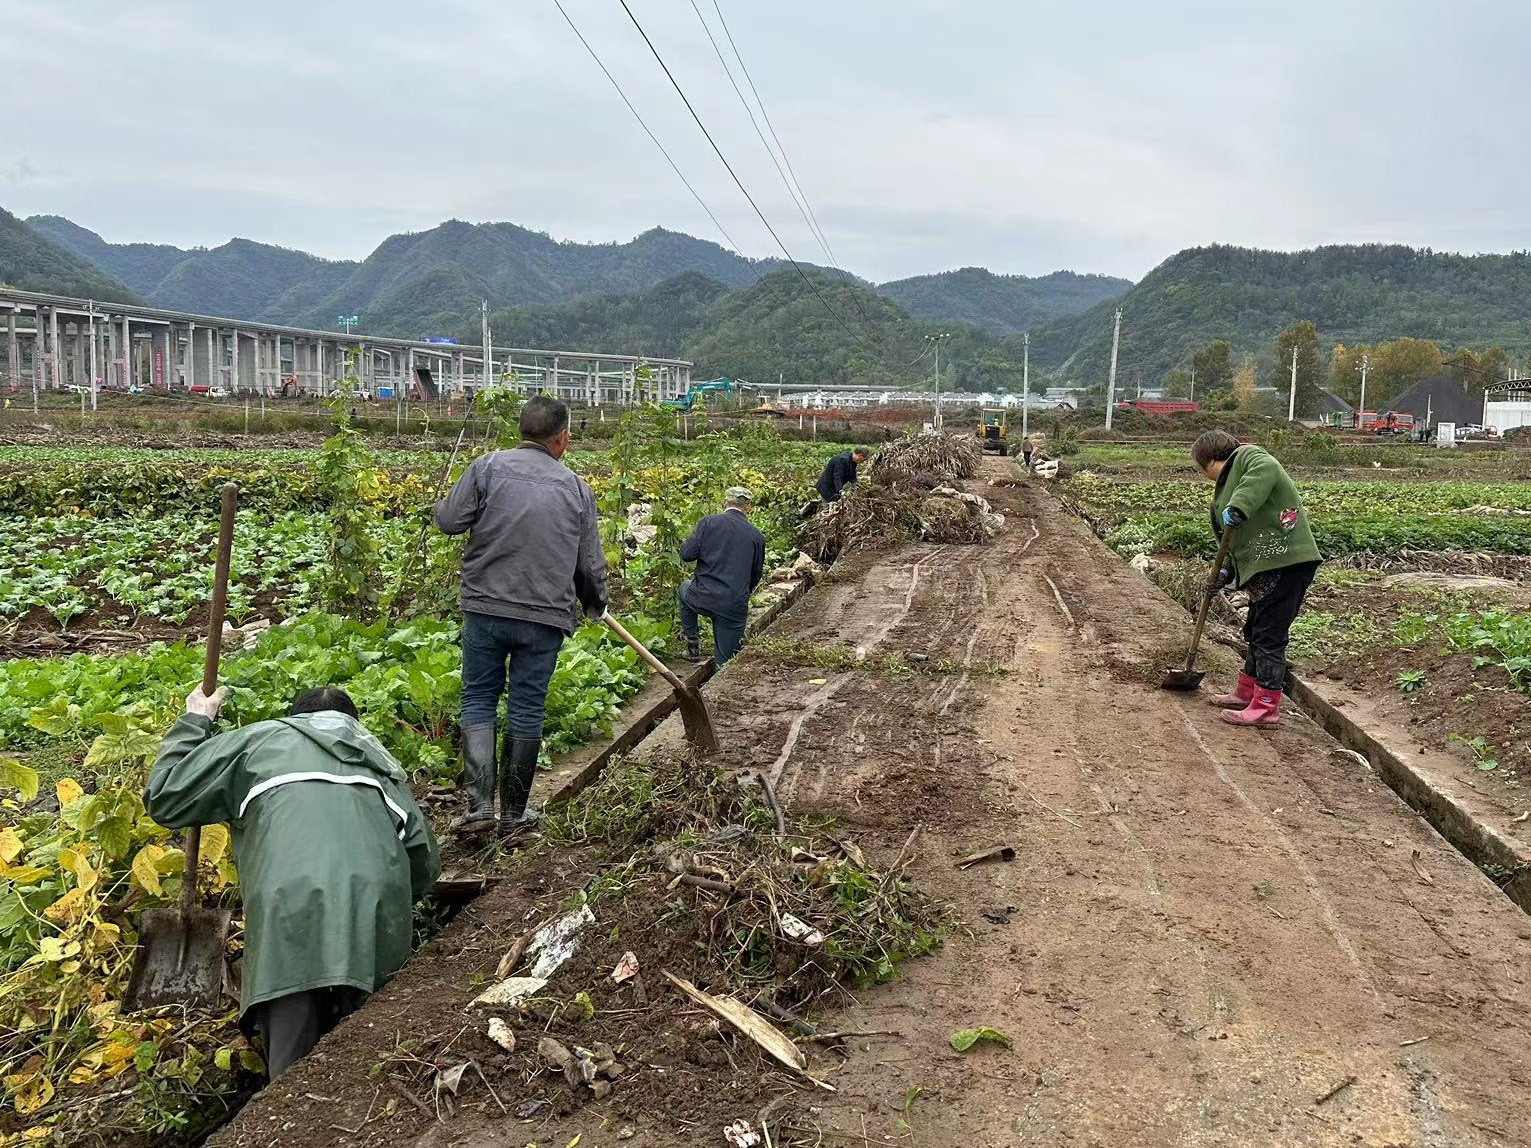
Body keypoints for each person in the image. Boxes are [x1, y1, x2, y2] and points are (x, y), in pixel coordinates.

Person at [145, 686, 439, 1080]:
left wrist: (196, 719)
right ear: (354, 726)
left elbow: (165, 795)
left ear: (295, 719)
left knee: (291, 1071)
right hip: (376, 909)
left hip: (289, 907)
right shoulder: (380, 764)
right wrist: (396, 904)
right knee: (373, 1054)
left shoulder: (257, 740)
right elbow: (423, 861)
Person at [435, 395, 607, 835]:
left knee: (478, 698)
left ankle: (478, 809)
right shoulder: (576, 488)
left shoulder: (487, 468)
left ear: (522, 430)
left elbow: (449, 521)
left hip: (486, 608)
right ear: (562, 438)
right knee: (527, 709)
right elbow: (588, 565)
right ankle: (513, 815)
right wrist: (594, 604)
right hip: (544, 616)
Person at [1193, 430, 1322, 727]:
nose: (1204, 476)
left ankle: (1266, 705)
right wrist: (1228, 571)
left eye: (1202, 469)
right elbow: (1238, 542)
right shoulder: (1229, 485)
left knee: (1269, 636)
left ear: (1209, 460)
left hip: (1287, 561)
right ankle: (1247, 690)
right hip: (1267, 566)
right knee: (1255, 630)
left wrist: (1238, 506)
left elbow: (1265, 471)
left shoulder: (1248, 456)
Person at [679, 486, 766, 666]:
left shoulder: (708, 523)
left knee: (684, 589)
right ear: (748, 507)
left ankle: (692, 645)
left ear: (725, 502)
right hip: (733, 605)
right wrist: (740, 594)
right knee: (726, 663)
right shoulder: (756, 536)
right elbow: (755, 575)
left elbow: (687, 554)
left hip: (702, 597)